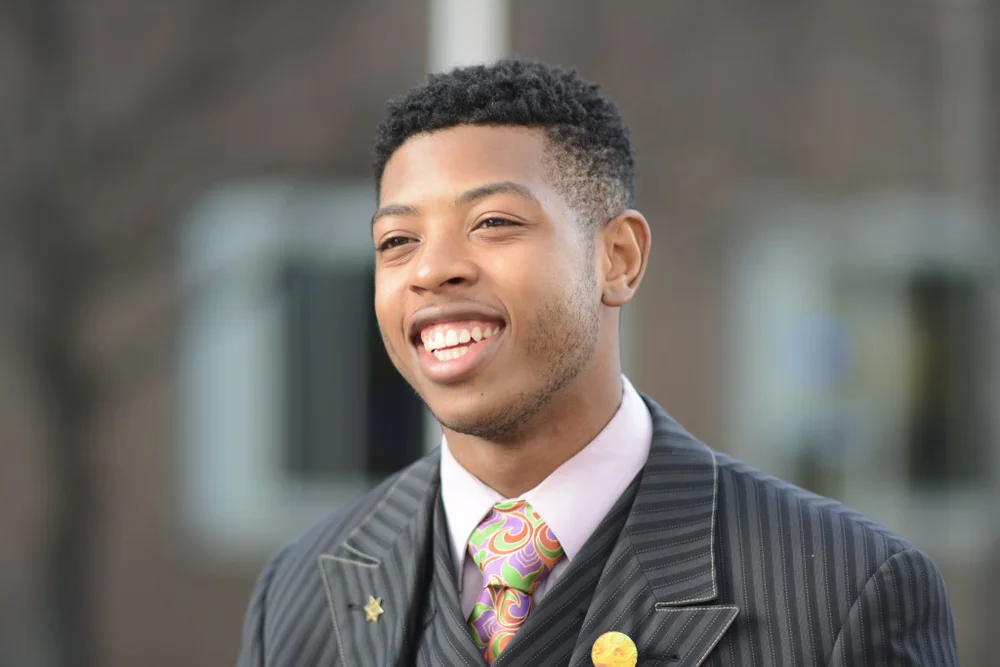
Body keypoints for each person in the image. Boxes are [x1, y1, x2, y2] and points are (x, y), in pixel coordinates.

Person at [237, 59, 958, 667]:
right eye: (397, 241)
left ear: (618, 258)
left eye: (493, 223)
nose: (431, 270)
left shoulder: (845, 591)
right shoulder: (299, 593)